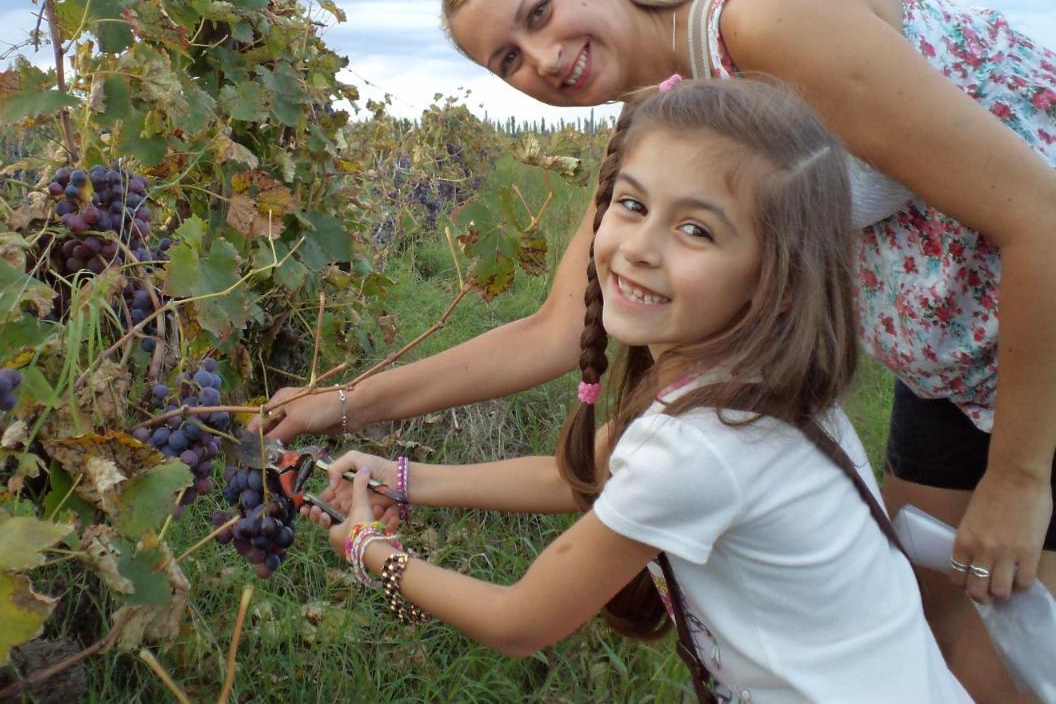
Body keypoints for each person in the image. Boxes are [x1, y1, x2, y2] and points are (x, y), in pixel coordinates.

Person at [260, 0, 1056, 699]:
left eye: (538, 13)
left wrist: (1021, 478)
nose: (542, 59)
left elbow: (1041, 216)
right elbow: (555, 329)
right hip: (948, 360)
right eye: (507, 59)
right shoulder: (669, 121)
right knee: (939, 621)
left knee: (1030, 633)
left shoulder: (765, 24)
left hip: (1040, 343)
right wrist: (340, 406)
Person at [304, 78, 972, 702]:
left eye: (696, 229)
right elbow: (580, 475)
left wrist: (370, 551)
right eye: (632, 204)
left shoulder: (701, 446)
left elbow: (519, 622)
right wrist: (400, 477)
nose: (638, 247)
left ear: (778, 275)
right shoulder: (748, 383)